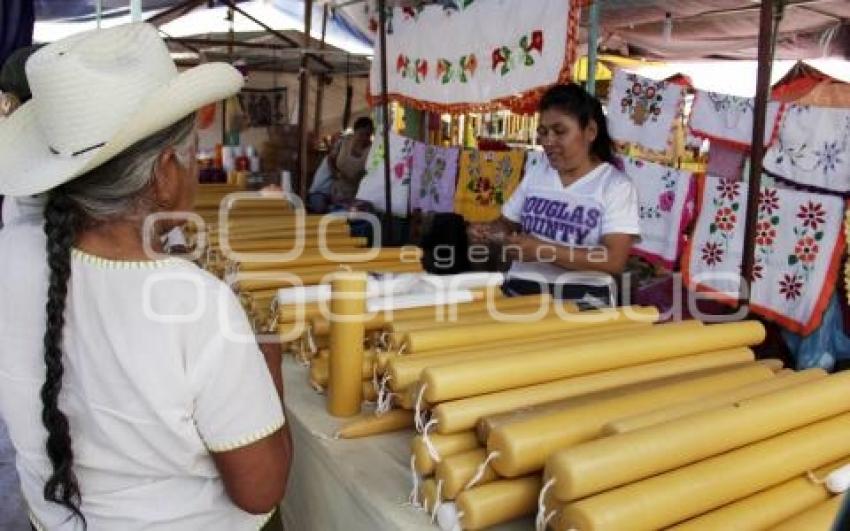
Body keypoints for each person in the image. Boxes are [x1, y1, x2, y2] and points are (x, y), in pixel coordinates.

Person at [0, 23, 292, 531]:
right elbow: (261, 488)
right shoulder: (196, 303)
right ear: (164, 174)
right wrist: (264, 359)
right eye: (192, 155)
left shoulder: (12, 254)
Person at [468, 84, 640, 304]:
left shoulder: (615, 186)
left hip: (583, 296)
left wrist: (544, 250)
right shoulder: (538, 172)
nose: (548, 141)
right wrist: (490, 231)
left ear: (590, 132)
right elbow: (506, 223)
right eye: (542, 132)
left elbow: (613, 259)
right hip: (522, 287)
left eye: (559, 132)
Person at [328, 116, 375, 203]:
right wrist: (335, 173)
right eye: (361, 134)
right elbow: (330, 159)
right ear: (354, 132)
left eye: (368, 135)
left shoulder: (373, 151)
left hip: (358, 195)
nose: (364, 138)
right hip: (336, 191)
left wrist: (360, 176)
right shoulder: (344, 141)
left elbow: (371, 173)